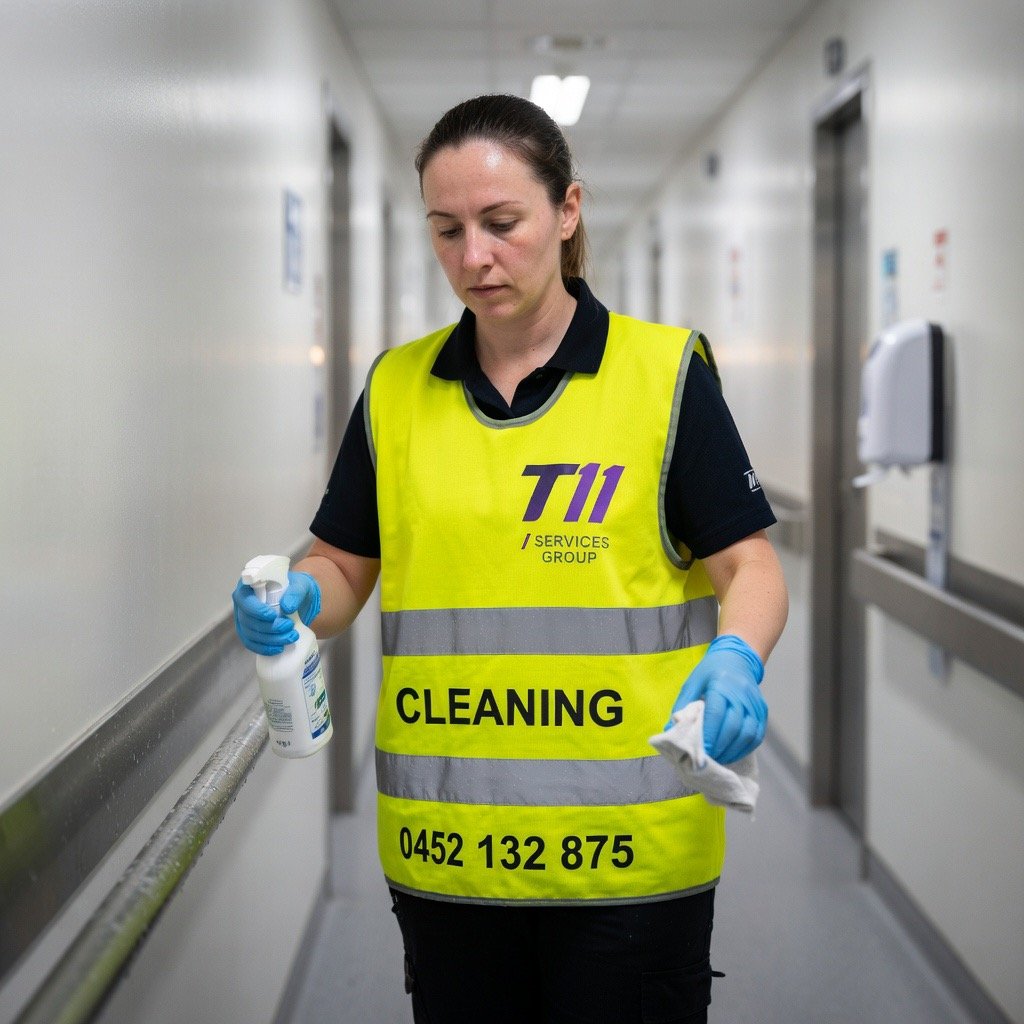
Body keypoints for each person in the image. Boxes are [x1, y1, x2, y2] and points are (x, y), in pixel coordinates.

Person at [233, 93, 788, 1024]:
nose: (473, 259)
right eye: (446, 231)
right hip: (450, 860)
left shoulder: (660, 377)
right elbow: (345, 564)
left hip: (627, 866)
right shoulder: (397, 388)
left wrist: (739, 656)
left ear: (567, 210)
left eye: (501, 223)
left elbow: (750, 565)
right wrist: (298, 598)